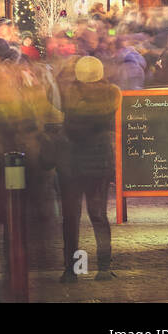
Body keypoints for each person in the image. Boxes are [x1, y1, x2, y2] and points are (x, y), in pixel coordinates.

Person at [58, 55, 121, 283]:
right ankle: (103, 267)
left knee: (71, 218)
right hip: (98, 162)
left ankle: (71, 269)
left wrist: (64, 70)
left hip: (71, 162)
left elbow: (52, 97)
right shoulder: (112, 93)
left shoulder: (70, 94)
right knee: (98, 216)